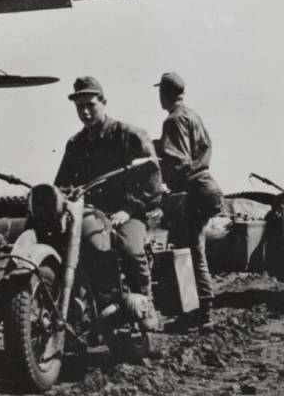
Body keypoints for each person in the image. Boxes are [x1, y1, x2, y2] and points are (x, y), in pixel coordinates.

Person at [55, 76, 163, 331]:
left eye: (90, 104)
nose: (85, 111)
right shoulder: (75, 144)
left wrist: (130, 209)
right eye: (79, 106)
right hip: (91, 213)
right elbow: (62, 182)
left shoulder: (129, 135)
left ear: (103, 102)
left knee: (130, 249)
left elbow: (152, 179)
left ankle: (146, 303)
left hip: (127, 211)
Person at [155, 71, 222, 328]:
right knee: (192, 250)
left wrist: (158, 168)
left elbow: (180, 161)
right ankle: (197, 311)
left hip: (193, 191)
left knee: (189, 252)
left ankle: (199, 313)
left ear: (164, 94)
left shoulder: (173, 120)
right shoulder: (192, 115)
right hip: (206, 188)